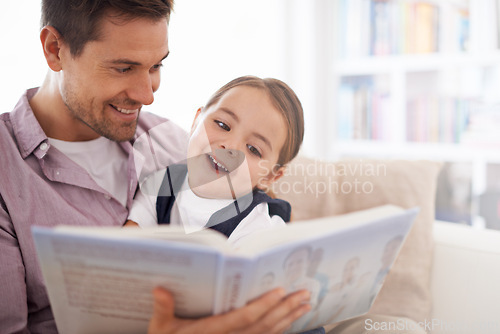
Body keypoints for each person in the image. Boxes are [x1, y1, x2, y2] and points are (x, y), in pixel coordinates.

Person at [0, 0, 311, 333]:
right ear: (54, 49)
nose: (147, 95)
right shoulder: (8, 171)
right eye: (123, 68)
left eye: (156, 67)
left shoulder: (169, 141)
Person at [126, 76, 304, 247]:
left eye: (253, 149)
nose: (230, 147)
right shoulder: (161, 185)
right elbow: (124, 244)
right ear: (196, 122)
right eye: (222, 125)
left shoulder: (257, 229)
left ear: (270, 177)